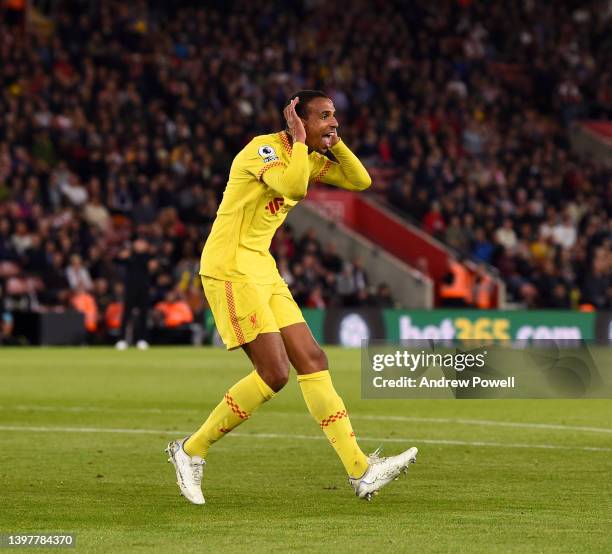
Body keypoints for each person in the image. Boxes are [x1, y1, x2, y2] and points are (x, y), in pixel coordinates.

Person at [166, 90, 418, 505]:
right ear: (297, 122)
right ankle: (190, 450)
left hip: (261, 267)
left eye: (335, 116)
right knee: (275, 373)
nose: (334, 123)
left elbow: (361, 180)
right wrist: (301, 143)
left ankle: (360, 470)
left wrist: (331, 142)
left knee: (313, 360)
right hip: (229, 267)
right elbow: (294, 187)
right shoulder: (262, 150)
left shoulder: (312, 155)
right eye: (324, 116)